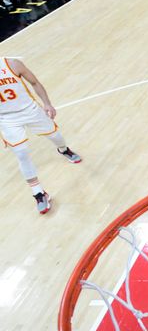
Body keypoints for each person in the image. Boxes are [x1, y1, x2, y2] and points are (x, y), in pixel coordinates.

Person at [0, 57, 82, 214]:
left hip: (30, 111)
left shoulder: (12, 64)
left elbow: (35, 82)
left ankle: (63, 149)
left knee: (56, 136)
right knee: (21, 153)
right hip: (6, 118)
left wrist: (47, 103)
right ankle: (38, 193)